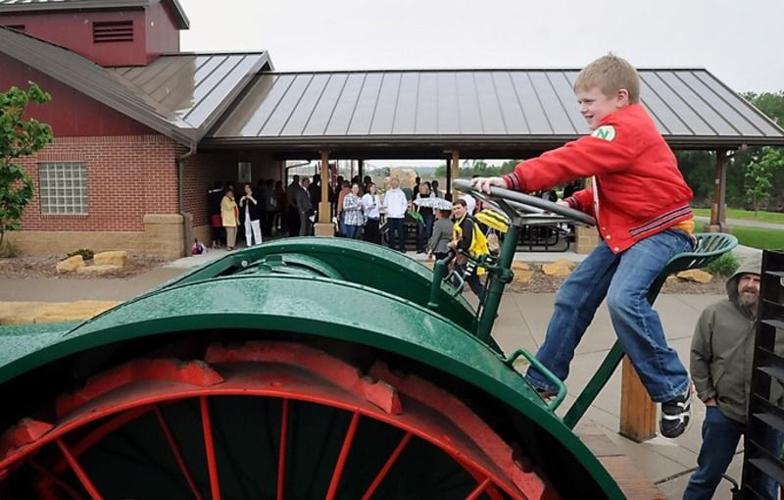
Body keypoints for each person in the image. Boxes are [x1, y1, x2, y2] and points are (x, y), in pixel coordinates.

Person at [472, 54, 696, 438]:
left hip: (662, 230)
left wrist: (515, 179)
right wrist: (574, 203)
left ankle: (673, 386)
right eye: (581, 103)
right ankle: (544, 378)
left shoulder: (625, 126)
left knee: (625, 299)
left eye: (589, 102)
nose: (583, 110)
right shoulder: (624, 135)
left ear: (620, 97)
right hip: (630, 231)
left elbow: (578, 156)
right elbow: (621, 187)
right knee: (573, 294)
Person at [684, 255, 784, 500]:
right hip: (724, 411)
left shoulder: (780, 319)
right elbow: (699, 356)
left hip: (768, 417)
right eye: (745, 278)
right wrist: (708, 396)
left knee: (765, 486)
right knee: (707, 475)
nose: (750, 284)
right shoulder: (714, 313)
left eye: (757, 279)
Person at [448, 199, 487, 297]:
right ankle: (489, 307)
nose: (456, 211)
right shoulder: (462, 221)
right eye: (454, 209)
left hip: (467, 258)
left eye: (458, 208)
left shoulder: (467, 222)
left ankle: (489, 307)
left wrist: (456, 243)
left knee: (463, 287)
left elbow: (467, 242)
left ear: (465, 208)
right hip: (465, 259)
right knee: (473, 286)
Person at [383, 177, 408, 252]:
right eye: (392, 183)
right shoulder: (388, 193)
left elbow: (405, 204)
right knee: (391, 232)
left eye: (395, 183)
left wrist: (401, 212)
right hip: (390, 216)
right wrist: (388, 211)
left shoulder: (401, 193)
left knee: (401, 232)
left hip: (399, 216)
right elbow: (385, 204)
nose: (394, 184)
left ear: (398, 183)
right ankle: (392, 247)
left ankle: (401, 247)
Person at [414, 183, 434, 253]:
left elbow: (432, 203)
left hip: (429, 213)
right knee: (420, 231)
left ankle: (428, 248)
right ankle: (420, 247)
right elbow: (417, 204)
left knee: (428, 232)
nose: (422, 189)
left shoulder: (432, 194)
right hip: (421, 213)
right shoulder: (418, 195)